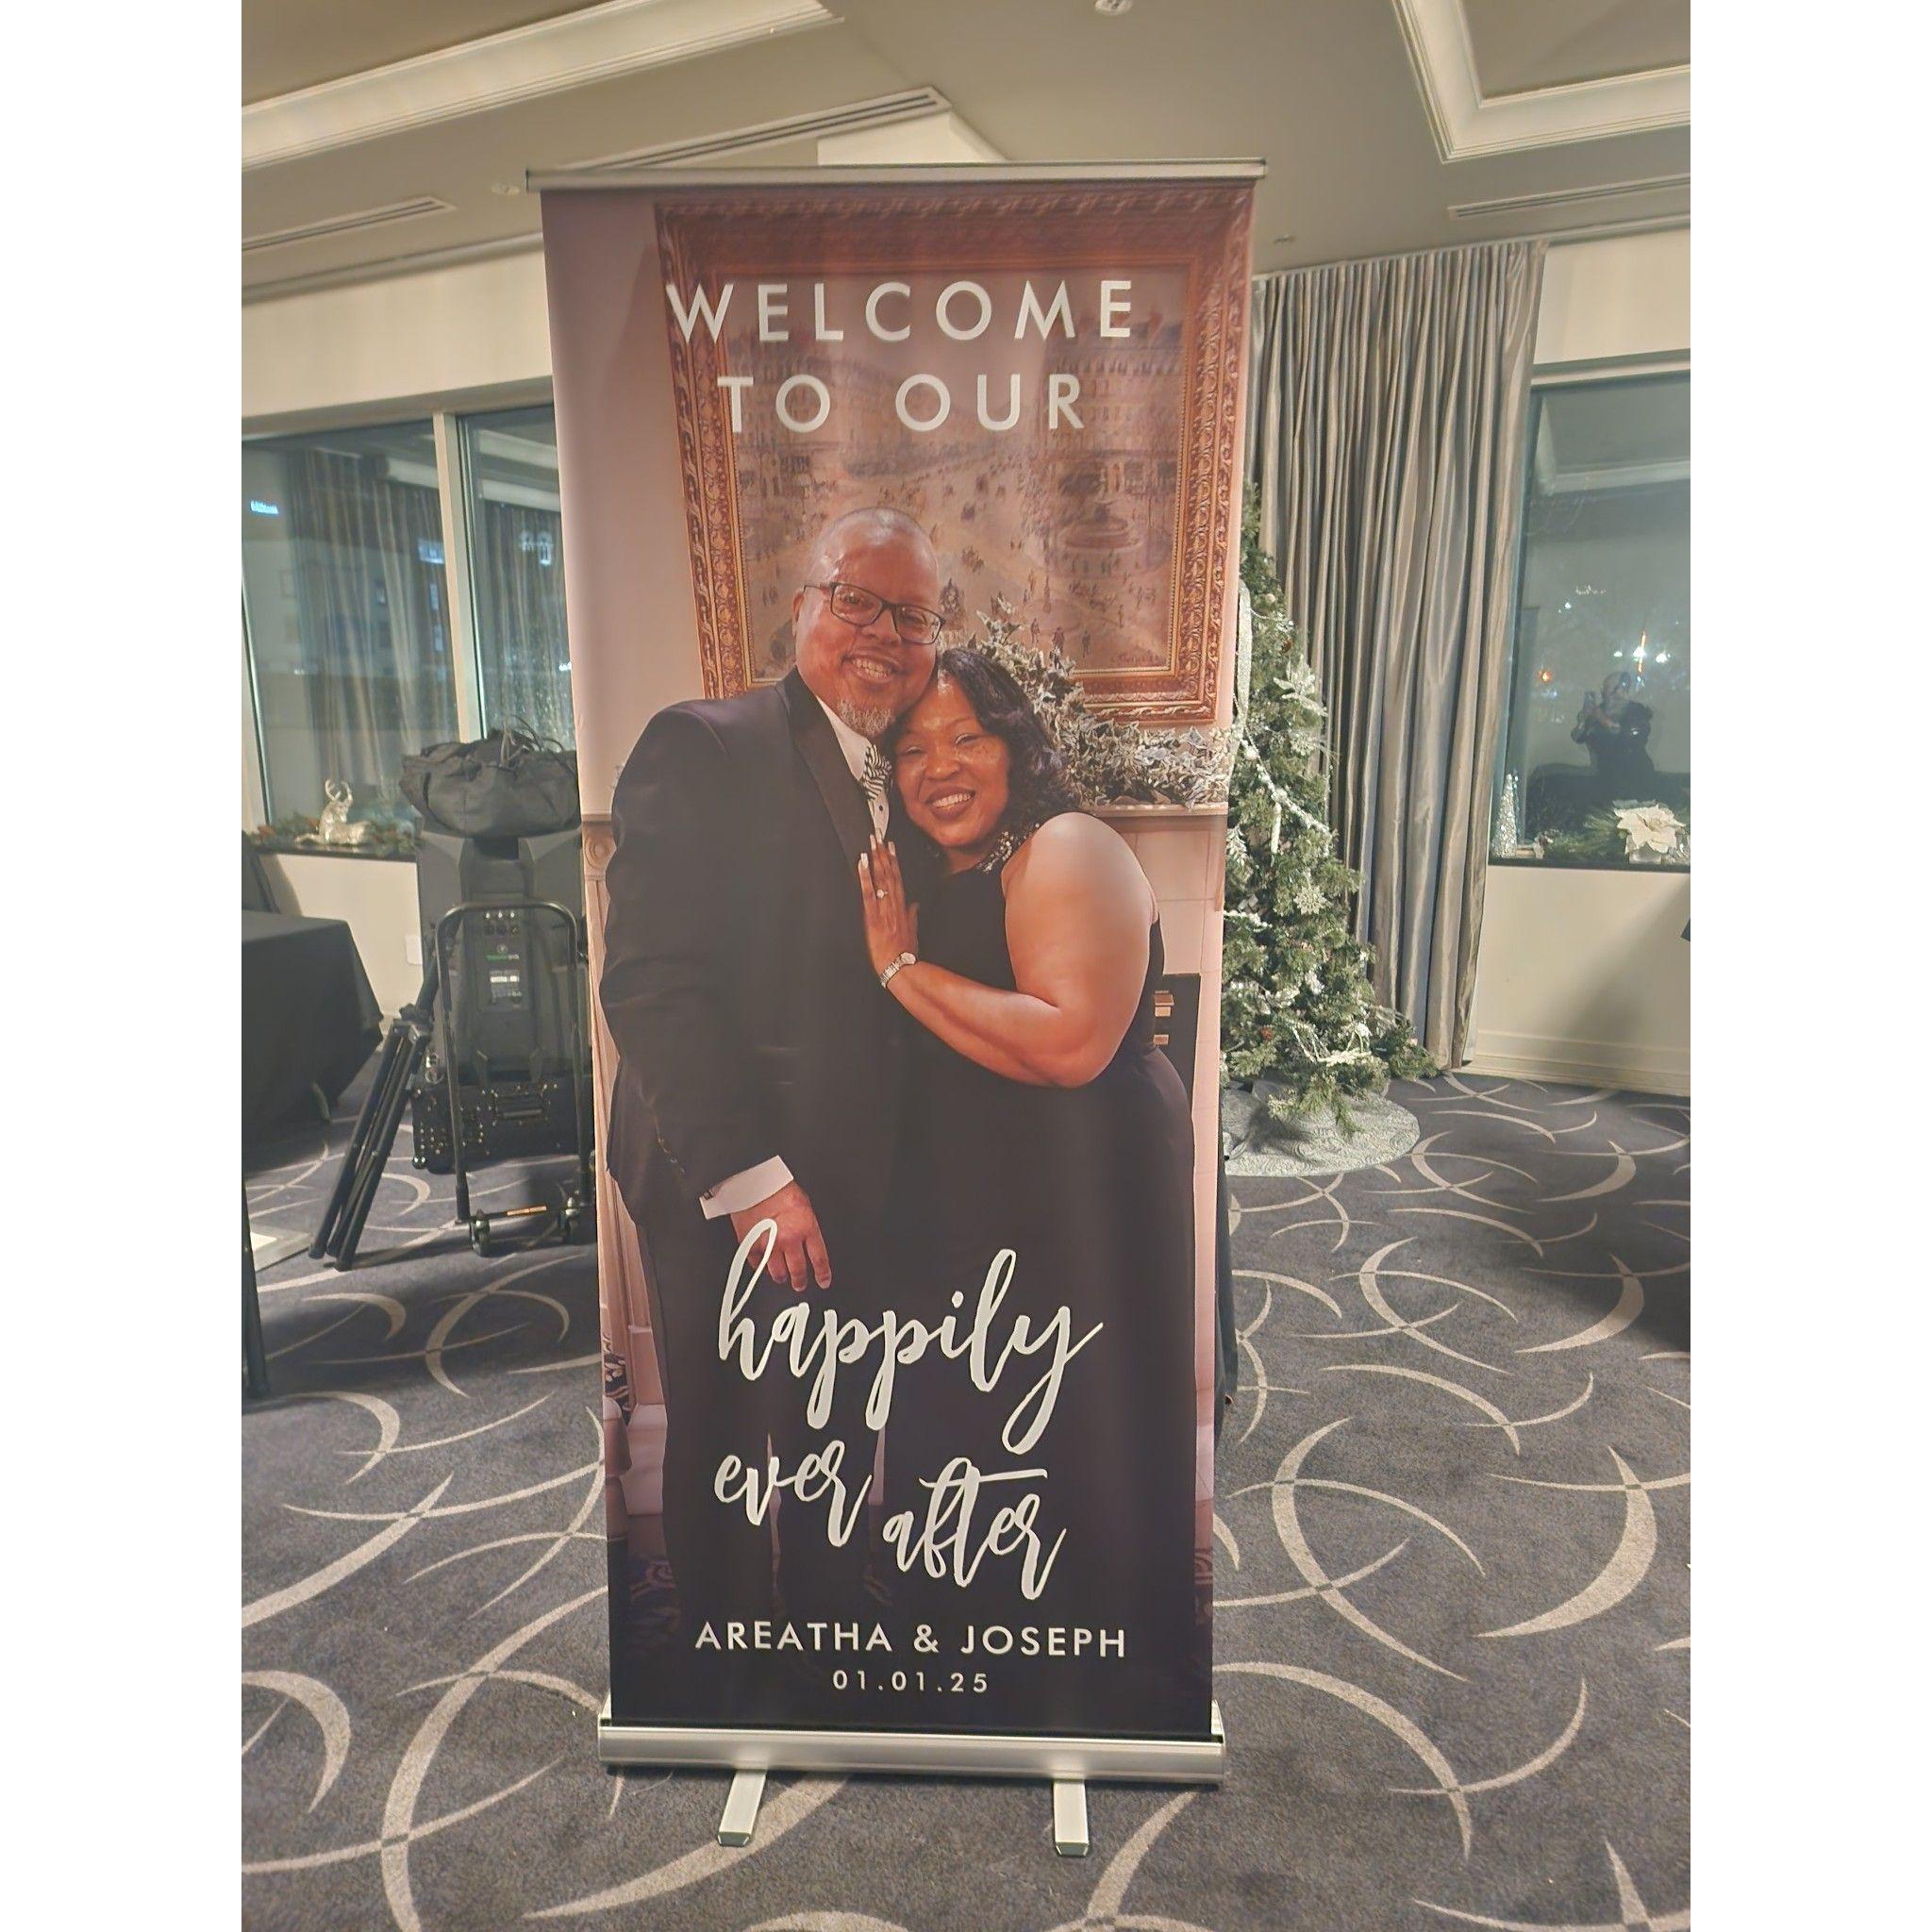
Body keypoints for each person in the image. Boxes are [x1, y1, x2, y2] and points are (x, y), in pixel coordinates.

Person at [599, 507, 944, 1720]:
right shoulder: (703, 745)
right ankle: (730, 1678)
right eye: (858, 600)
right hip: (728, 1181)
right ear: (803, 606)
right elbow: (653, 980)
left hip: (856, 1177)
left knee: (839, 1425)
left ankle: (831, 1636)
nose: (884, 633)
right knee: (730, 1433)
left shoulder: (915, 766)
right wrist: (752, 1179)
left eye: (913, 616)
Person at [856, 648, 1204, 1736]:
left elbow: (1067, 1043)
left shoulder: (1066, 846)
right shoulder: (935, 871)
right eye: (912, 748)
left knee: (1060, 1418)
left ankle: (1078, 1672)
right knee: (967, 1412)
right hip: (978, 1195)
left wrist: (899, 969)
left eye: (966, 736)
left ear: (1015, 746)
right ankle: (970, 1645)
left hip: (1078, 1195)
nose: (940, 766)